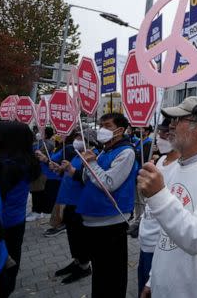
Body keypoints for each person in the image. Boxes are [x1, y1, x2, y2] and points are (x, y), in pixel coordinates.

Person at [137, 97, 197, 298]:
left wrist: (158, 195)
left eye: (178, 120)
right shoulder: (172, 168)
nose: (170, 126)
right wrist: (153, 278)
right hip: (163, 287)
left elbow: (196, 238)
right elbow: (164, 235)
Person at [75, 112, 136, 298]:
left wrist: (91, 164)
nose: (102, 130)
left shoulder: (126, 152)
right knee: (100, 273)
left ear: (121, 129)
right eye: (101, 125)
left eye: (108, 125)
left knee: (112, 276)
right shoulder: (104, 150)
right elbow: (89, 179)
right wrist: (87, 165)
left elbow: (109, 184)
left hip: (110, 223)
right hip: (94, 221)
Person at [0, 121, 40, 297]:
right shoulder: (24, 159)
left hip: (3, 222)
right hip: (15, 219)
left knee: (2, 266)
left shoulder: (11, 165)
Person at [136, 118, 179, 295]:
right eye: (159, 132)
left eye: (166, 133)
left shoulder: (180, 167)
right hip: (145, 239)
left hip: (160, 246)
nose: (160, 137)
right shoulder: (159, 162)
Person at [52, 128, 99, 284]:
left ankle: (84, 266)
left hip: (81, 203)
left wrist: (72, 171)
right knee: (72, 235)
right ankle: (77, 261)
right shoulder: (77, 154)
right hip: (70, 201)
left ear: (89, 141)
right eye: (77, 136)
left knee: (80, 236)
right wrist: (60, 169)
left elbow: (90, 179)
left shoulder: (94, 156)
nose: (76, 139)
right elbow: (70, 173)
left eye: (80, 137)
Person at [35, 131, 78, 237]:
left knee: (60, 202)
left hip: (57, 178)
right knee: (57, 202)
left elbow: (62, 165)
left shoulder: (69, 148)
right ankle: (58, 222)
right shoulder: (59, 146)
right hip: (52, 175)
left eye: (61, 133)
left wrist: (45, 159)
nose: (57, 135)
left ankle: (61, 224)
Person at [128, 125, 154, 238]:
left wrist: (135, 153)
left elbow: (144, 157)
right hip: (135, 175)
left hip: (142, 175)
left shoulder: (149, 142)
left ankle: (142, 222)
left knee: (142, 201)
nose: (139, 131)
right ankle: (137, 220)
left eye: (142, 129)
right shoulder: (139, 142)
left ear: (147, 131)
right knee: (137, 201)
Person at [27, 126, 55, 222]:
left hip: (42, 171)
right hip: (37, 170)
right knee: (35, 190)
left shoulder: (48, 144)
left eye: (41, 132)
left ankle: (38, 212)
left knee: (38, 191)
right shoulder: (41, 142)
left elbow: (38, 155)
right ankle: (36, 210)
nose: (38, 134)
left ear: (46, 134)